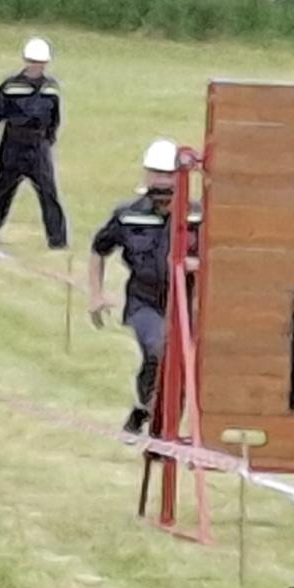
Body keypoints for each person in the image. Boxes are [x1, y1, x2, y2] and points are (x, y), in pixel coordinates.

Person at [88, 139, 201, 434]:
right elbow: (99, 249)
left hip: (187, 303)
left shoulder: (198, 216)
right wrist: (96, 294)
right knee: (159, 348)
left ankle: (157, 424)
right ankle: (149, 409)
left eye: (169, 176)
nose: (163, 183)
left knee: (183, 368)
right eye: (157, 174)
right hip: (145, 302)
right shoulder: (128, 214)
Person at [0, 36, 67, 248]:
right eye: (33, 61)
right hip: (13, 144)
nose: (37, 66)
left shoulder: (51, 88)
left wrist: (49, 140)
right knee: (2, 191)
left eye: (40, 62)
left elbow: (55, 117)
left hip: (38, 146)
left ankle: (57, 240)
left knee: (48, 192)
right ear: (26, 61)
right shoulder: (11, 86)